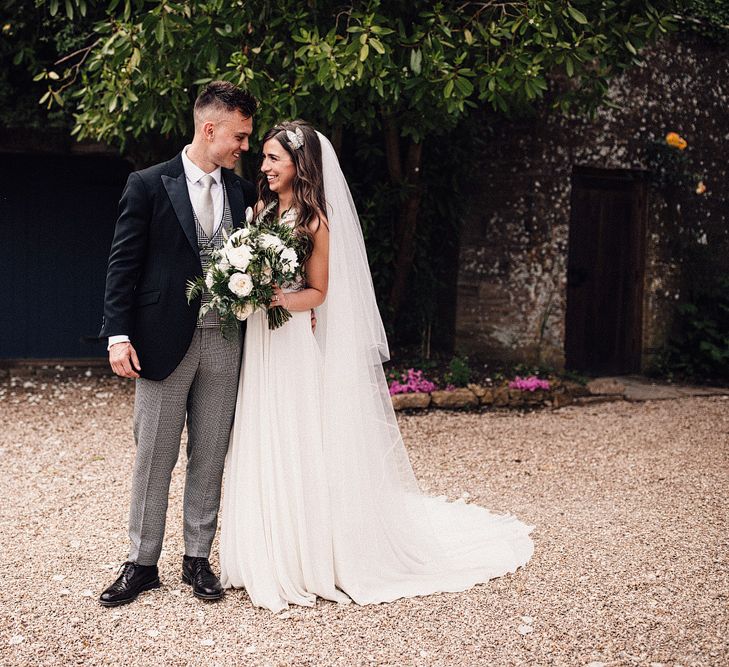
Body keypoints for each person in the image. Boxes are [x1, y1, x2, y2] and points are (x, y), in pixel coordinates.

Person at [219, 120, 535, 613]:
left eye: (272, 159)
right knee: (263, 431)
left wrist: (274, 295)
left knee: (298, 435)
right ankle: (261, 547)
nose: (262, 167)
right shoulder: (259, 211)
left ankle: (305, 556)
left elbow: (320, 292)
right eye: (262, 158)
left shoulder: (315, 222)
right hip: (260, 341)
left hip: (291, 341)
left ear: (297, 164)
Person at [98, 81, 257, 606]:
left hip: (226, 339)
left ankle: (196, 559)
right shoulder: (148, 184)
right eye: (239, 135)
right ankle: (141, 563)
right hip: (162, 341)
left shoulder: (239, 191)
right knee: (155, 456)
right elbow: (123, 264)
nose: (244, 146)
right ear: (210, 129)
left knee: (210, 454)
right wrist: (118, 336)